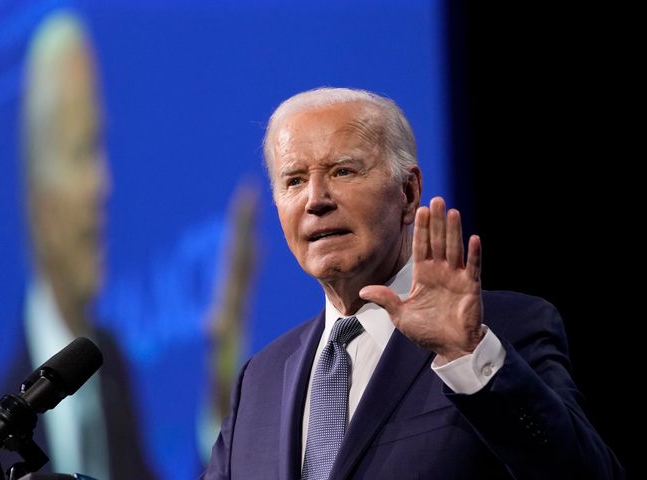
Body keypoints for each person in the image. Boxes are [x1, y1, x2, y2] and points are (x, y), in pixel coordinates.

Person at [201, 87, 625, 479]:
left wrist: (467, 354)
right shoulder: (259, 380)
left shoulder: (506, 330)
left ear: (407, 192)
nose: (316, 199)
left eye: (343, 171)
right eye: (294, 180)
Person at [0, 11, 155, 479]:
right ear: (35, 190)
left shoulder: (109, 363)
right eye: (81, 152)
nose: (102, 186)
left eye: (102, 148)